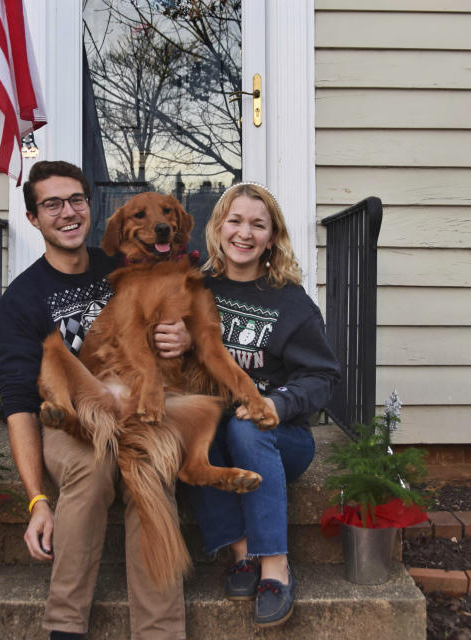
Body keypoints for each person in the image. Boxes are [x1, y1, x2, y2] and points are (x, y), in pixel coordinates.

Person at [0, 160, 191, 640]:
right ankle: (65, 626)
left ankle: (160, 632)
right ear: (34, 219)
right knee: (93, 470)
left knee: (149, 472)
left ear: (89, 206)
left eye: (76, 200)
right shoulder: (19, 305)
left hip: (138, 409)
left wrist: (180, 335)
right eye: (52, 204)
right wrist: (38, 499)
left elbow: (175, 312)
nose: (68, 212)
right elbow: (18, 406)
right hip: (71, 419)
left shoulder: (125, 265)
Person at [182, 182, 341, 628]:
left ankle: (274, 564)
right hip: (217, 436)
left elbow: (323, 377)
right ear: (218, 228)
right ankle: (240, 550)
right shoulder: (196, 290)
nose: (244, 233)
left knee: (244, 426)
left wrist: (276, 403)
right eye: (235, 221)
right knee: (193, 429)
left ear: (272, 237)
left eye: (258, 224)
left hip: (278, 439)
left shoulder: (290, 302)